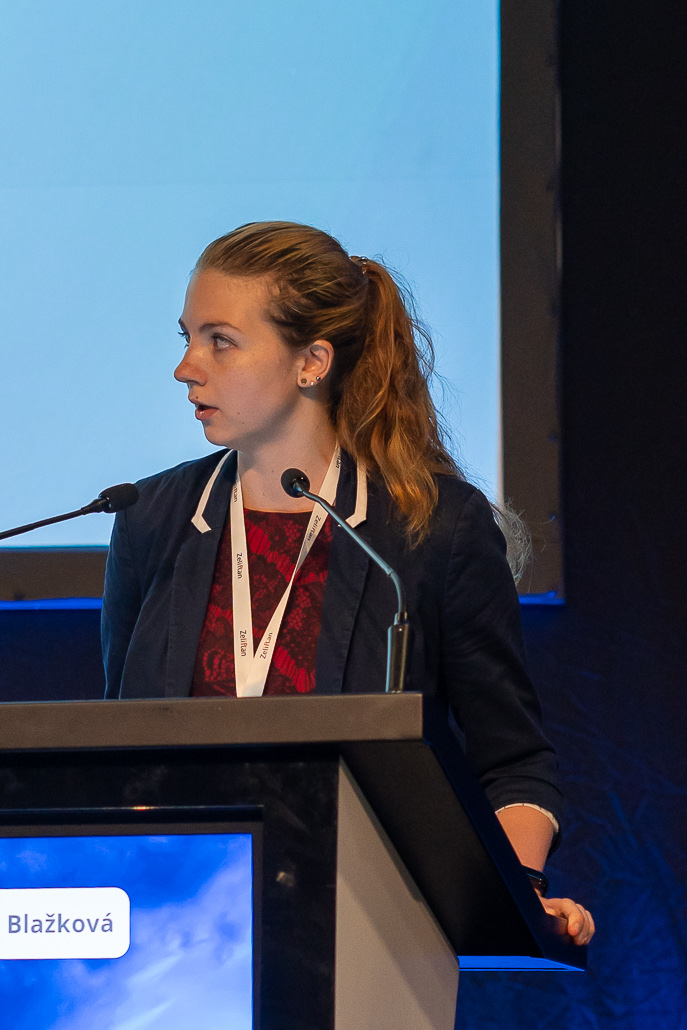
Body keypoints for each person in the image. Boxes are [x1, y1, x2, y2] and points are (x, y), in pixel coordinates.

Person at [102, 220, 594, 944]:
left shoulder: (430, 529)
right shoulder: (152, 518)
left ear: (311, 362)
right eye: (186, 338)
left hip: (366, 930)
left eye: (220, 341)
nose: (186, 368)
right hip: (168, 933)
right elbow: (116, 748)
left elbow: (513, 761)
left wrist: (520, 891)